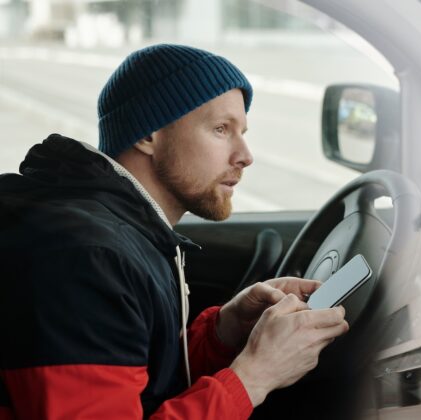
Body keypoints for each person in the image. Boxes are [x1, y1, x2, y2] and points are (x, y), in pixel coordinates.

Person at [0, 44, 349, 419]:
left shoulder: (128, 232)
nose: (245, 155)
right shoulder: (85, 257)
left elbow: (143, 376)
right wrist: (254, 377)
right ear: (149, 134)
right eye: (220, 129)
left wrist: (224, 331)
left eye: (242, 132)